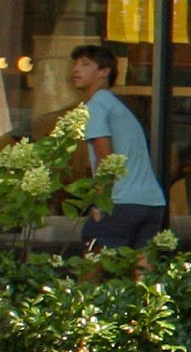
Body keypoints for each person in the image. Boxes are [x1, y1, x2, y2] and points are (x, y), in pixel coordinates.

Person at [68, 44, 167, 249]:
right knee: (142, 269)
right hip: (152, 201)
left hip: (121, 200)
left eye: (85, 64)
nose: (76, 69)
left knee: (93, 258)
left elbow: (105, 158)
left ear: (105, 72)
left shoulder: (96, 105)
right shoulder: (117, 106)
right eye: (75, 64)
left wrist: (98, 202)